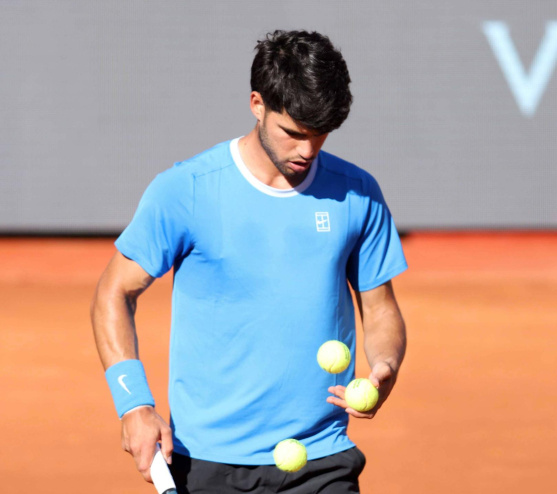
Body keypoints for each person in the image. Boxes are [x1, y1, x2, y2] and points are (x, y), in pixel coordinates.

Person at [90, 30, 407, 493]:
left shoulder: (358, 193)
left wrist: (385, 364)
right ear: (257, 104)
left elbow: (379, 308)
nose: (307, 151)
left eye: (320, 136)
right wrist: (134, 404)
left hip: (321, 457)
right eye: (293, 133)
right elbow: (113, 292)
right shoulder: (187, 190)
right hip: (208, 460)